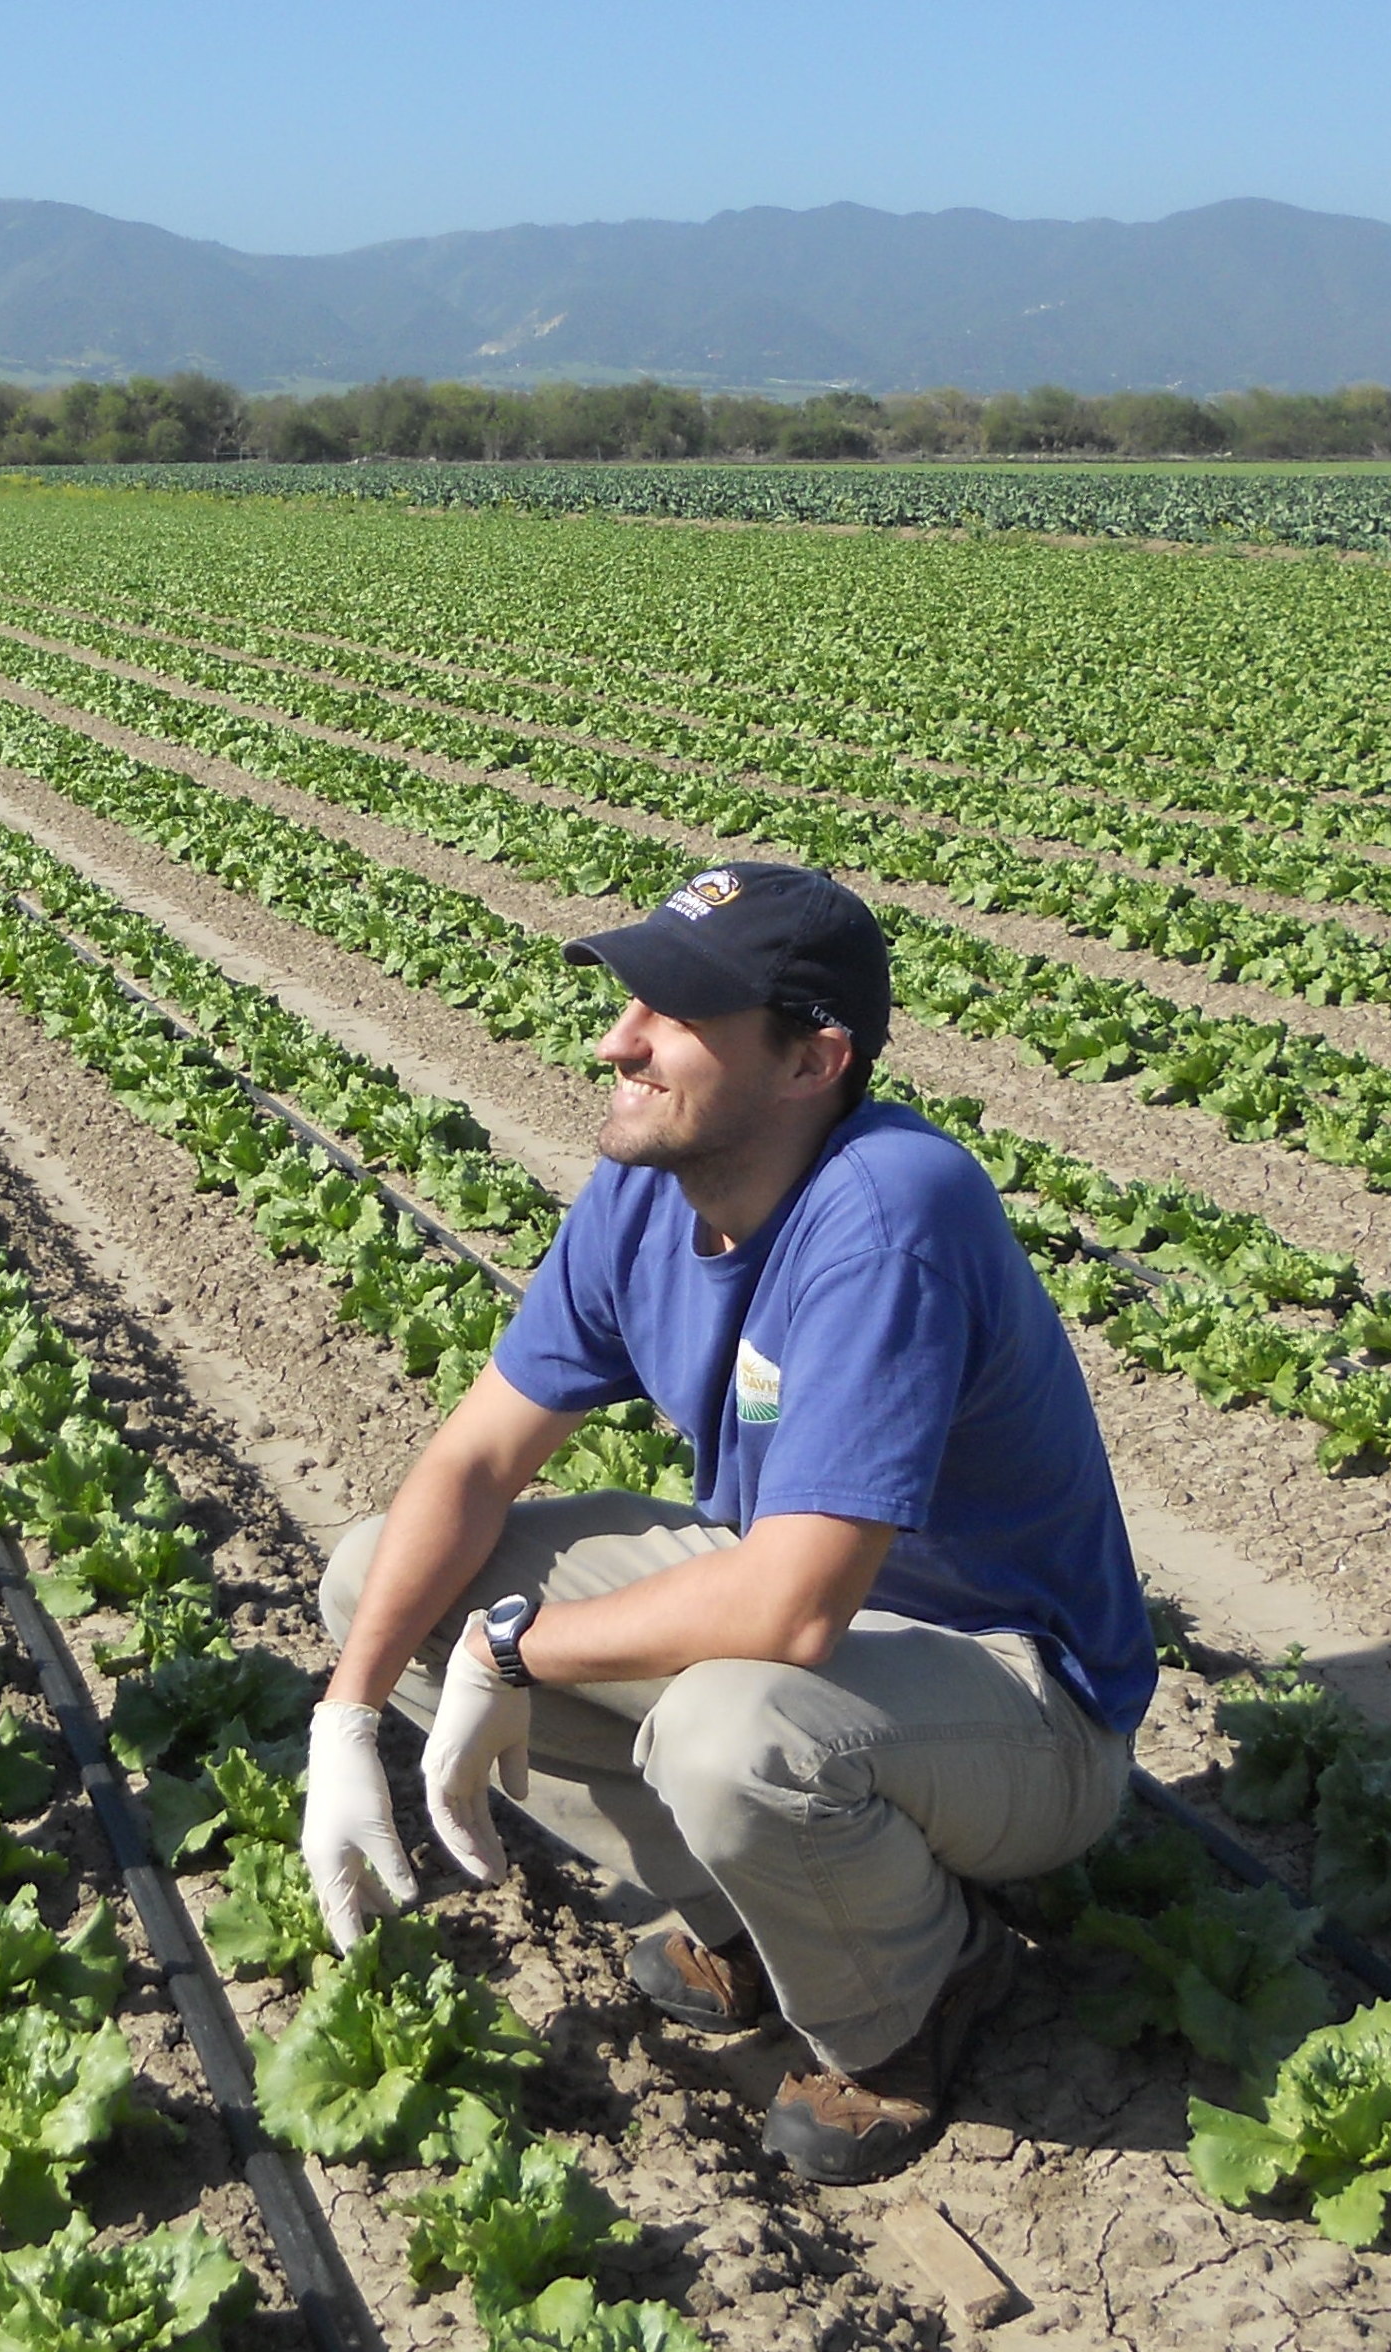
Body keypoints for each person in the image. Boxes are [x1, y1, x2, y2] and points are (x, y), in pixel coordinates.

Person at [307, 862, 1152, 2184]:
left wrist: (509, 1650)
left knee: (731, 1734)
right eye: (631, 996)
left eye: (676, 1015)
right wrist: (347, 1714)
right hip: (818, 1616)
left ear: (814, 1061)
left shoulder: (887, 1215)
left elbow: (786, 1611)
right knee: (383, 1586)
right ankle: (758, 1921)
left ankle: (917, 1991)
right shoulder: (651, 1183)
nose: (617, 1037)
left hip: (1014, 1699)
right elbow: (474, 1459)